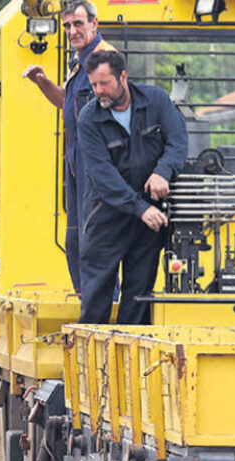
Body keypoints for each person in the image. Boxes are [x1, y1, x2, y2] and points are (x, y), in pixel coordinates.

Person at [77, 50, 188, 325]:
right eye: (93, 84)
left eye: (104, 83)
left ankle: (130, 352)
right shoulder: (89, 119)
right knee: (96, 297)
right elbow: (103, 175)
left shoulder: (156, 101)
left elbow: (178, 140)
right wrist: (140, 208)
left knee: (138, 297)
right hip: (107, 215)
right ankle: (91, 351)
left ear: (123, 77)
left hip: (149, 219)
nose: (98, 91)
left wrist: (163, 171)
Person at [22, 0, 116, 294]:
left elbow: (119, 111)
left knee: (96, 242)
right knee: (75, 242)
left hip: (97, 164)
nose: (72, 31)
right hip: (77, 163)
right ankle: (88, 301)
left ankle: (108, 307)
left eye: (78, 23)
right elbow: (67, 101)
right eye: (67, 25)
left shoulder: (105, 59)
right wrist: (42, 82)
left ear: (94, 24)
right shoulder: (79, 64)